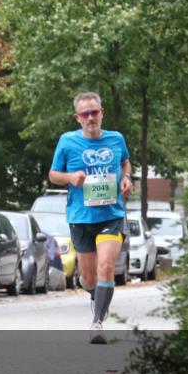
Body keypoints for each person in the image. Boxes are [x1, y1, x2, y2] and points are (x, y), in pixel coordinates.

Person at [48, 92, 132, 344]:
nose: (91, 117)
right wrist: (71, 178)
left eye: (94, 112)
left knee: (106, 265)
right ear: (78, 118)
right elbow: (53, 175)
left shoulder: (116, 139)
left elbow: (126, 163)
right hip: (81, 217)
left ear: (101, 113)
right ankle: (96, 296)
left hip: (112, 214)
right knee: (89, 277)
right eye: (85, 114)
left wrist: (126, 178)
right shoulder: (67, 141)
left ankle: (97, 323)